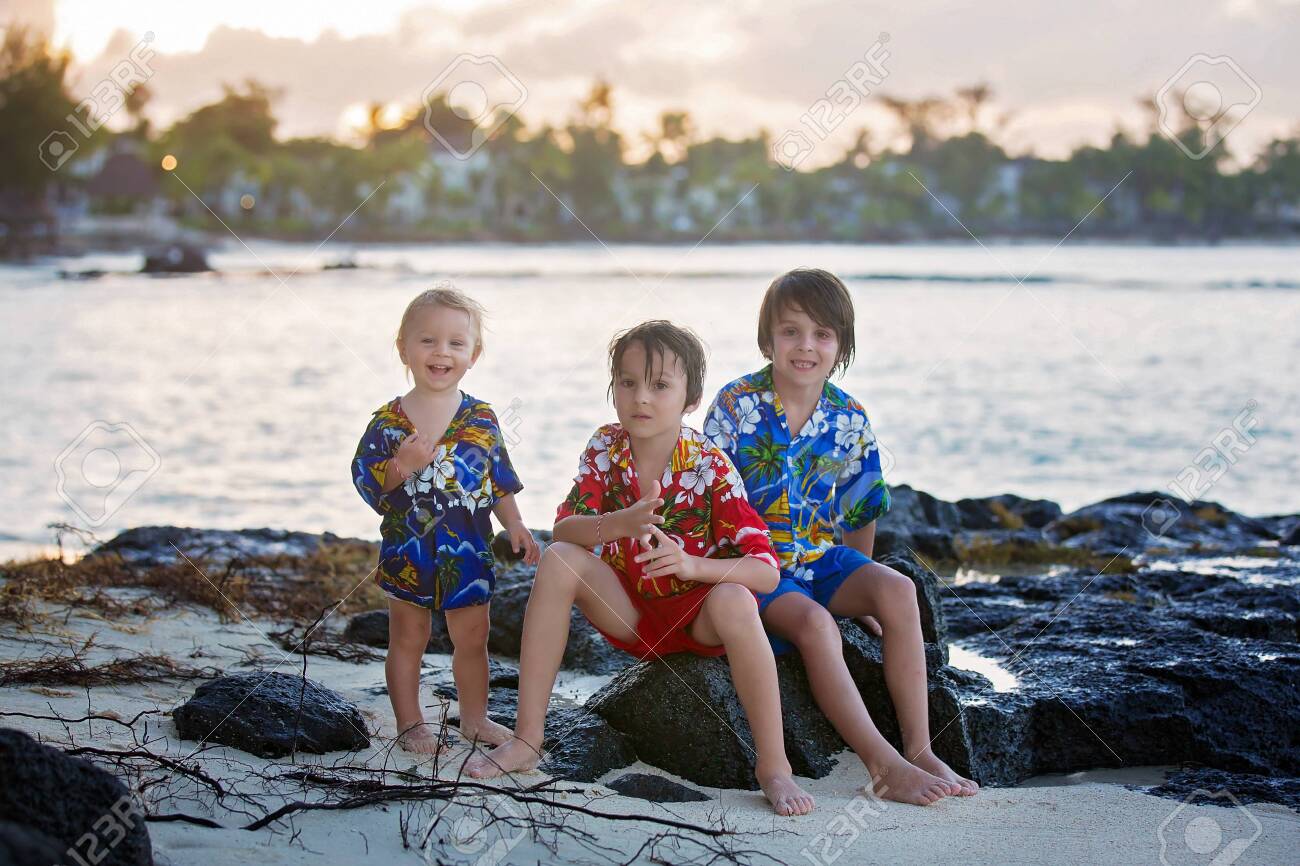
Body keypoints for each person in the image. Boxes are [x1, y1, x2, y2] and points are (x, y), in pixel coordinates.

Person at [464, 320, 816, 817]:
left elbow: (766, 571)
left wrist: (693, 565)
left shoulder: (709, 464)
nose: (641, 398)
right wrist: (618, 523)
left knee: (737, 597)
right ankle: (527, 737)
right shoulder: (606, 448)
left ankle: (774, 767)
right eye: (628, 382)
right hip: (628, 612)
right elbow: (564, 530)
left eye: (659, 385)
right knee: (561, 560)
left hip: (698, 618)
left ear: (690, 398)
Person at [704, 268, 978, 804]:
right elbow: (705, 497)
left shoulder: (848, 416)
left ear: (841, 345)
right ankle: (882, 764)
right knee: (815, 622)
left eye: (822, 334)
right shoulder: (735, 405)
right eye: (791, 331)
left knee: (899, 589)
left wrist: (863, 594)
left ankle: (919, 748)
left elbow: (862, 510)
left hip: (820, 559)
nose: (806, 346)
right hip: (755, 569)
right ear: (768, 339)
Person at [351, 286, 540, 754]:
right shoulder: (387, 424)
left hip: (469, 552)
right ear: (404, 348)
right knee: (408, 637)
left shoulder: (481, 418)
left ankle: (474, 719)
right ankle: (411, 722)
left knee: (473, 638)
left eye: (456, 343)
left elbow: (498, 479)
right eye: (428, 341)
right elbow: (367, 482)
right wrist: (401, 467)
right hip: (408, 552)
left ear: (474, 354)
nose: (441, 353)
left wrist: (515, 524)